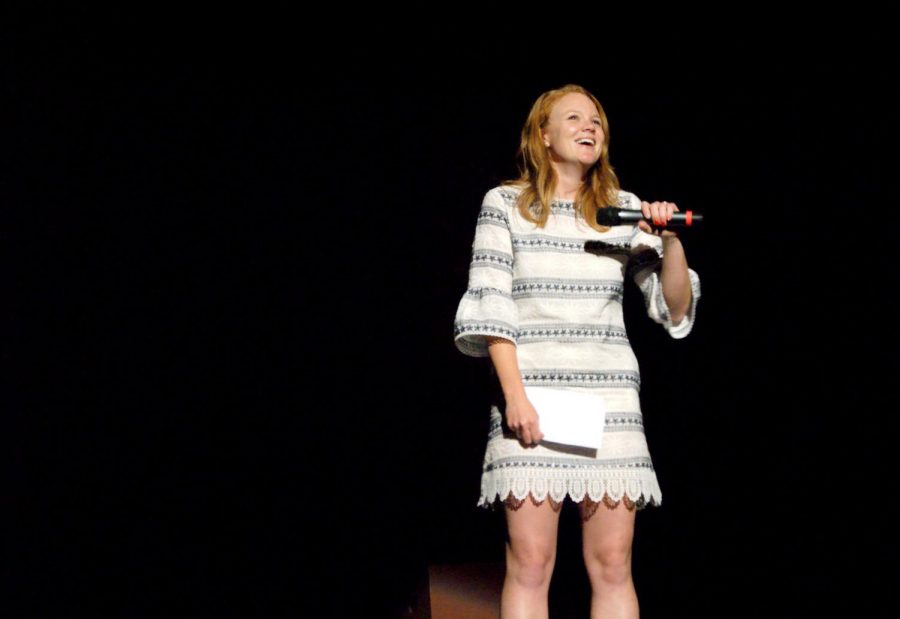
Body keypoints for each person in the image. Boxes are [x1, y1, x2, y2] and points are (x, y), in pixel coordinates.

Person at [453, 84, 701, 618]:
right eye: (574, 118)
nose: (590, 127)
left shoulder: (622, 210)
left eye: (597, 120)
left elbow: (674, 308)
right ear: (543, 135)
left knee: (613, 563)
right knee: (532, 561)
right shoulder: (506, 205)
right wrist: (515, 398)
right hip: (534, 398)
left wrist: (670, 239)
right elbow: (491, 304)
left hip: (609, 403)